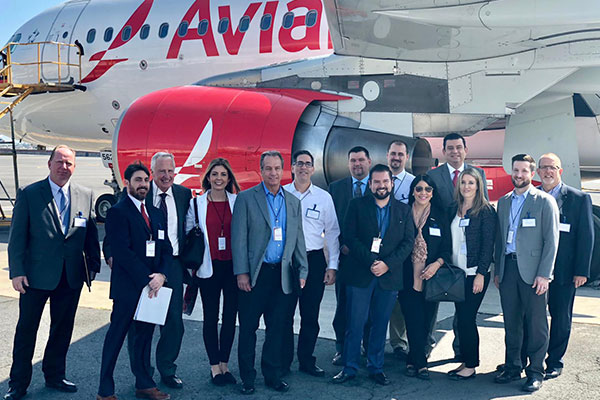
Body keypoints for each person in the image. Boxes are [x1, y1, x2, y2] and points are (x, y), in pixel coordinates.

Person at [5, 145, 100, 400]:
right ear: (49, 164)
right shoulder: (29, 193)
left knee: (62, 329)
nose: (63, 167)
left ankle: (55, 375)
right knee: (26, 331)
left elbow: (90, 235)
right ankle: (18, 384)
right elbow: (17, 237)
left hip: (70, 277)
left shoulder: (85, 195)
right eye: (59, 162)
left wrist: (92, 267)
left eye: (69, 163)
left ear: (74, 167)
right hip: (35, 276)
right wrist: (17, 272)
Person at [232, 150, 308, 395]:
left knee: (277, 329)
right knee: (248, 328)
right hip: (255, 275)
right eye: (268, 168)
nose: (273, 173)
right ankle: (247, 378)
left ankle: (272, 375)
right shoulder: (246, 198)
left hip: (282, 275)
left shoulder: (293, 202)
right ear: (261, 170)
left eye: (277, 168)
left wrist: (303, 269)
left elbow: (298, 239)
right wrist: (242, 273)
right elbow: (239, 239)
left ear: (283, 170)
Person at [331, 164, 414, 386]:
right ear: (370, 184)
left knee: (380, 324)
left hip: (389, 277)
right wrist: (371, 262)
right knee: (355, 324)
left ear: (392, 183)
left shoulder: (404, 211)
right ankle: (349, 368)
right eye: (376, 182)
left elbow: (408, 243)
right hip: (361, 274)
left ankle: (376, 367)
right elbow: (350, 237)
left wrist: (387, 264)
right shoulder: (356, 205)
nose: (381, 185)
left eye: (385, 181)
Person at [97, 162, 172, 400]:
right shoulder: (118, 212)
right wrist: (147, 279)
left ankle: (144, 384)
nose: (143, 185)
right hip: (129, 289)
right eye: (138, 180)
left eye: (146, 180)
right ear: (127, 183)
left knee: (144, 339)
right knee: (116, 338)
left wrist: (161, 275)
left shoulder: (155, 213)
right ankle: (105, 391)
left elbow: (166, 249)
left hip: (152, 288)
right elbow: (122, 252)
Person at [493, 154, 559, 392]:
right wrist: (497, 270)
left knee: (536, 323)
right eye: (516, 170)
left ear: (532, 173)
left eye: (524, 171)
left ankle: (535, 371)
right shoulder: (503, 202)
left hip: (534, 273)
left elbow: (551, 241)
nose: (519, 175)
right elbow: (499, 239)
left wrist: (544, 274)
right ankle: (513, 366)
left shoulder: (544, 201)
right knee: (511, 322)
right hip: (508, 269)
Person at [427, 132, 488, 359]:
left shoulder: (478, 173)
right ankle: (426, 345)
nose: (455, 152)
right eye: (450, 148)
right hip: (443, 251)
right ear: (443, 151)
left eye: (458, 147)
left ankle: (462, 352)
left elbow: (483, 216)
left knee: (464, 313)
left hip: (469, 259)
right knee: (433, 300)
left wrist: (482, 270)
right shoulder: (433, 175)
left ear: (465, 150)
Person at [535, 153, 594, 379]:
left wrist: (581, 271)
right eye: (544, 167)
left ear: (560, 171)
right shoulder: (532, 196)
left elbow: (586, 237)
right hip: (536, 269)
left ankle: (554, 361)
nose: (548, 171)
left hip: (565, 271)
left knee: (560, 317)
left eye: (552, 167)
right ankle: (531, 359)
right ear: (538, 172)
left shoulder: (578, 199)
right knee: (533, 317)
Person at [282, 150, 340, 377]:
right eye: (299, 163)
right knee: (284, 314)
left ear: (313, 169)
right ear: (292, 167)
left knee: (310, 314)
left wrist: (332, 265)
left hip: (314, 260)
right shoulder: (282, 194)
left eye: (307, 164)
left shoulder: (324, 198)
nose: (303, 167)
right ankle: (283, 360)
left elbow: (332, 232)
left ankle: (306, 360)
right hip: (287, 261)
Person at [185, 158, 240, 386]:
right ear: (208, 177)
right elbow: (188, 233)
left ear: (229, 179)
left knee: (230, 317)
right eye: (215, 174)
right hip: (208, 267)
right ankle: (214, 366)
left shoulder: (237, 201)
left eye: (223, 175)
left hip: (233, 268)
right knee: (211, 317)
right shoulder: (196, 204)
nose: (219, 178)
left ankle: (225, 364)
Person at [446, 168, 497, 380]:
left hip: (474, 273)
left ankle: (471, 365)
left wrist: (481, 274)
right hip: (457, 273)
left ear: (478, 186)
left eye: (471, 183)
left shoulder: (485, 211)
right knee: (461, 319)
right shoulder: (453, 208)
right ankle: (465, 361)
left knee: (467, 319)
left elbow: (488, 245)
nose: (466, 186)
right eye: (463, 182)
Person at [400, 175, 451, 380]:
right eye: (419, 189)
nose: (423, 193)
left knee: (426, 321)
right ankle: (421, 364)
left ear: (433, 192)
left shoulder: (440, 215)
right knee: (412, 319)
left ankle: (412, 359)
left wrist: (436, 264)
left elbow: (447, 248)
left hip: (431, 277)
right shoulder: (403, 213)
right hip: (406, 277)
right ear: (413, 191)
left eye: (428, 189)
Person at [327, 146, 372, 366]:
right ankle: (342, 348)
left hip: (370, 259)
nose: (357, 164)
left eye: (361, 160)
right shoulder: (335, 188)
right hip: (345, 258)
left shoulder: (378, 186)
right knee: (343, 306)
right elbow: (331, 223)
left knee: (370, 308)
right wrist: (341, 247)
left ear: (369, 162)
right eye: (353, 160)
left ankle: (368, 347)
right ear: (348, 164)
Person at [386, 140, 415, 360]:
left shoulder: (414, 184)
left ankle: (399, 342)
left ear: (406, 157)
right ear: (387, 155)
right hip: (380, 251)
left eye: (400, 154)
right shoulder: (378, 180)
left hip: (405, 251)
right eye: (393, 153)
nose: (396, 158)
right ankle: (371, 343)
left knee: (401, 300)